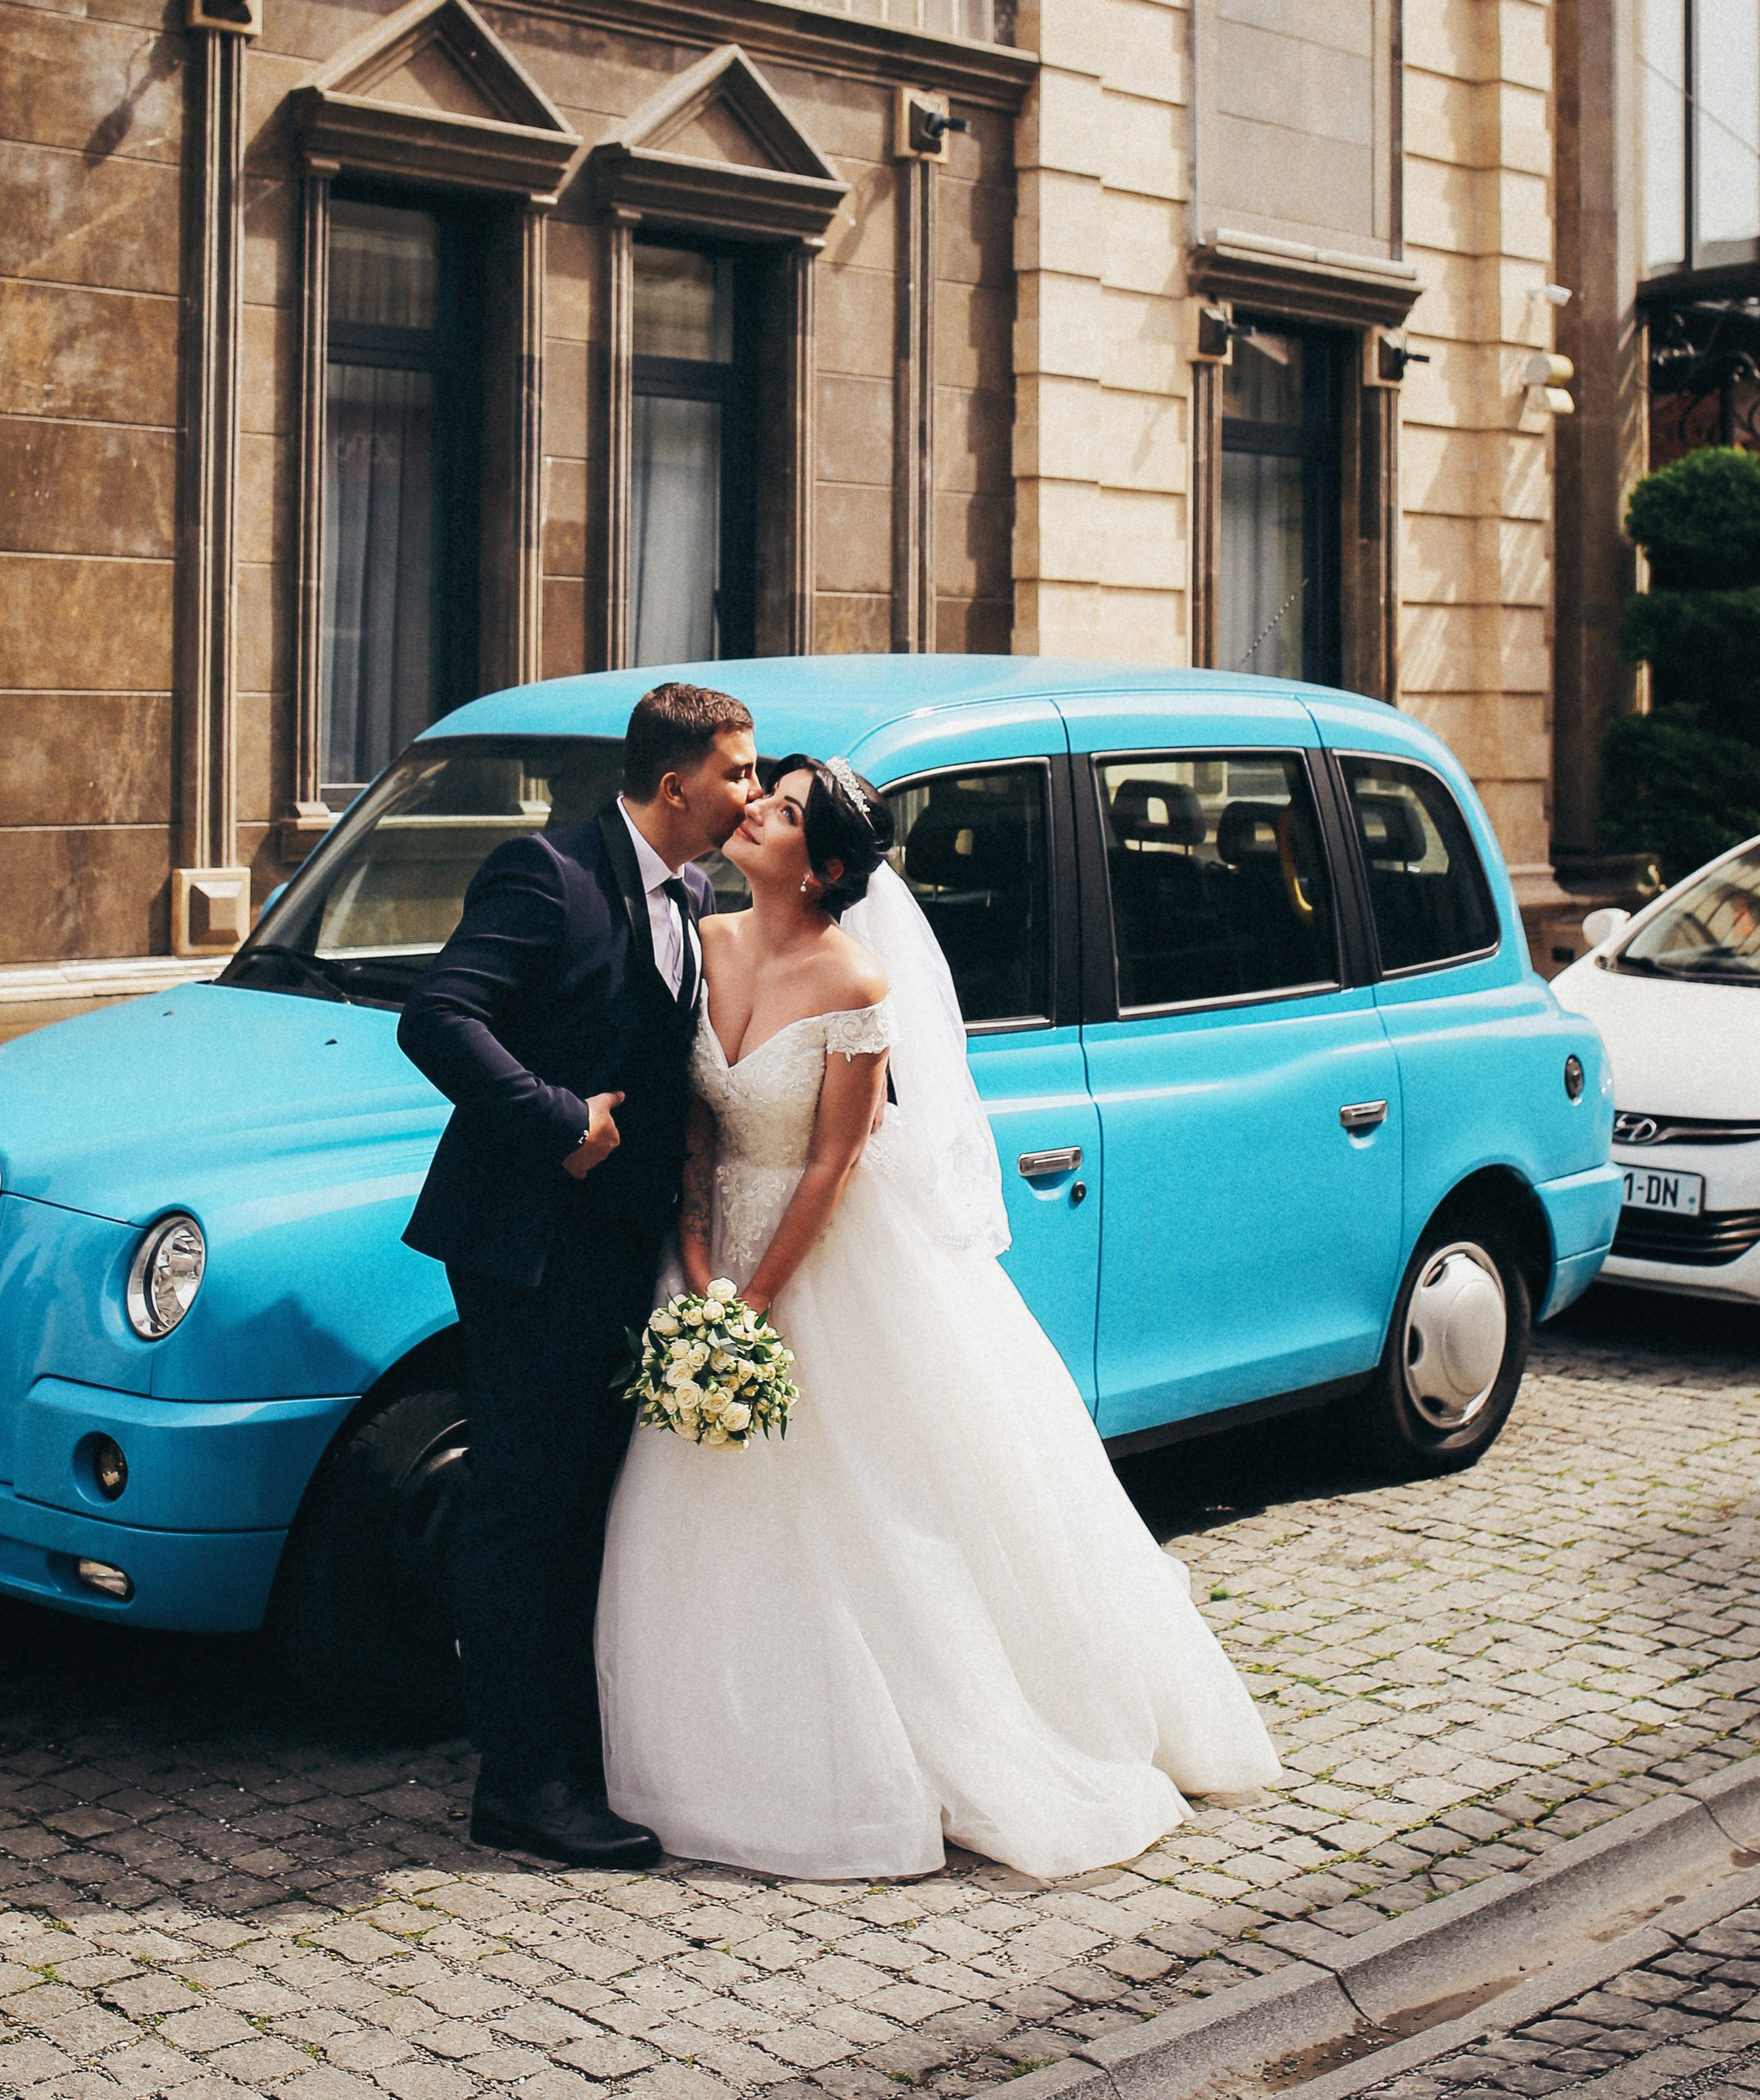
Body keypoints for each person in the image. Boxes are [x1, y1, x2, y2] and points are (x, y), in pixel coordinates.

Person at [596, 754, 1284, 1882]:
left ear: (820, 870)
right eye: (759, 796)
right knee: (701, 1505)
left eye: (779, 810)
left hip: (823, 1259)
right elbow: (698, 1130)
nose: (752, 807)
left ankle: (921, 1744)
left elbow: (834, 1159)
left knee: (870, 1504)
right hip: (711, 1250)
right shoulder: (706, 943)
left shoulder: (855, 985)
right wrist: (700, 1262)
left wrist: (756, 1298)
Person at [398, 681, 760, 1871]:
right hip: (529, 1248)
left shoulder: (696, 893)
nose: (749, 793)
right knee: (522, 1513)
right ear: (675, 784)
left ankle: (566, 1744)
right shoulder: (545, 874)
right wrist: (553, 1114)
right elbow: (440, 1015)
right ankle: (520, 1786)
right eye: (737, 773)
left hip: (619, 1258)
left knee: (578, 1511)